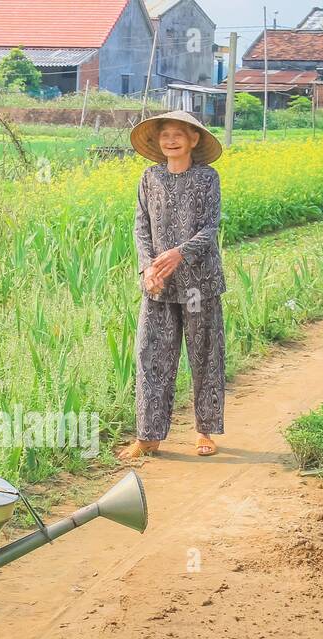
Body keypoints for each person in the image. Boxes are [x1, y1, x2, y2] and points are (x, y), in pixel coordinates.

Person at [119, 110, 226, 460]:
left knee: (204, 355)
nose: (171, 140)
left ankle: (204, 431)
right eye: (165, 134)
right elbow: (140, 228)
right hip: (159, 286)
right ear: (157, 141)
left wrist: (180, 253)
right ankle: (148, 436)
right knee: (152, 357)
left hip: (199, 284)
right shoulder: (149, 178)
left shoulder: (207, 178)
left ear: (194, 139)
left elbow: (210, 228)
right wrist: (146, 269)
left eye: (179, 134)